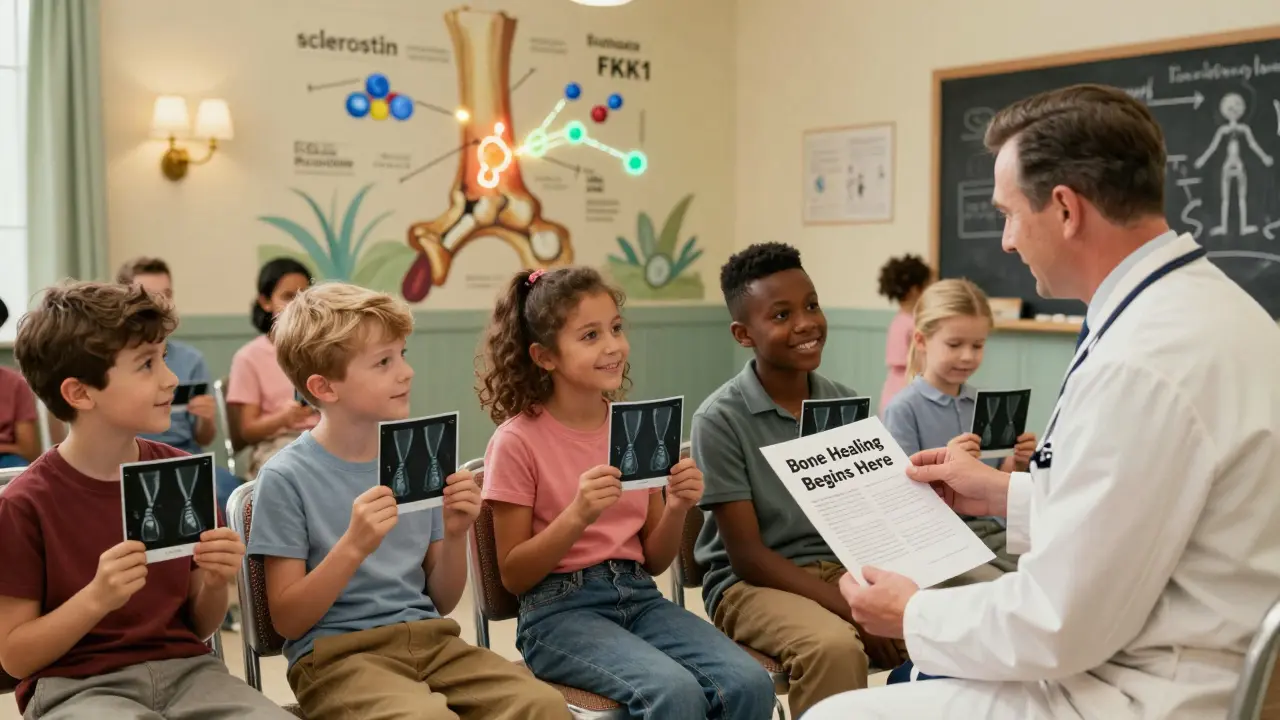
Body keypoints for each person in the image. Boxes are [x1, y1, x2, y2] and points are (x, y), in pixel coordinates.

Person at [806, 84, 1280, 719]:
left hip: (1141, 692)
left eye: (1008, 214)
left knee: (834, 715)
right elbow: (1141, 503)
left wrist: (910, 612)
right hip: (1169, 654)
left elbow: (1059, 621)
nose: (1006, 241)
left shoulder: (1140, 363)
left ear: (1064, 209)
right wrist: (1005, 494)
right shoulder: (1212, 311)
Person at [247, 282, 568, 720]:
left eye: (402, 354)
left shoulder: (418, 459)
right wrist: (353, 546)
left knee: (542, 706)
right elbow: (288, 620)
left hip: (431, 641)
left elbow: (441, 600)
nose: (406, 372)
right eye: (384, 362)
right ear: (324, 387)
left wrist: (455, 533)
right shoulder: (285, 477)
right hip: (336, 657)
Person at [478, 267, 776, 720]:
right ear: (544, 357)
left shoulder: (635, 428)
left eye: (616, 328)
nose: (613, 345)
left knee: (748, 683)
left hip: (639, 595)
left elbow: (654, 560)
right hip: (556, 614)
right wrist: (578, 514)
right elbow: (514, 576)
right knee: (674, 692)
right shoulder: (516, 441)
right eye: (590, 335)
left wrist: (677, 507)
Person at [0, 282, 292, 719]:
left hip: (192, 676)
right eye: (146, 364)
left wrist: (215, 581)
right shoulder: (24, 505)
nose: (171, 379)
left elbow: (200, 624)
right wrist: (96, 598)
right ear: (80, 393)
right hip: (77, 690)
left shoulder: (181, 475)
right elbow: (15, 658)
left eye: (164, 358)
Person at [689, 242, 906, 719]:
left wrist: (876, 595)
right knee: (833, 648)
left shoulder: (845, 404)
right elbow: (748, 558)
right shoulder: (719, 420)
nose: (806, 323)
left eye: (811, 305)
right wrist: (853, 610)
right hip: (750, 585)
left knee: (940, 623)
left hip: (840, 568)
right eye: (782, 315)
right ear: (743, 334)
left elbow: (869, 519)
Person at [883, 278, 1036, 576]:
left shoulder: (982, 403)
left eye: (978, 345)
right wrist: (947, 463)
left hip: (997, 533)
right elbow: (905, 497)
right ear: (921, 341)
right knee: (1006, 588)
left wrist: (1018, 463)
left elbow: (996, 480)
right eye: (954, 345)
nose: (968, 356)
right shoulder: (903, 409)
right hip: (944, 544)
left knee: (1057, 575)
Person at [117, 257, 241, 519]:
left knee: (227, 493)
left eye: (167, 295)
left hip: (186, 456)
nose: (160, 304)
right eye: (149, 296)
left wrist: (206, 418)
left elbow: (203, 438)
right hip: (129, 458)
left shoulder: (191, 359)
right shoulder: (116, 361)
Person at [227, 258, 317, 478]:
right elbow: (247, 431)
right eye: (288, 296)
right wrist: (283, 418)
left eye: (304, 295)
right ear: (266, 302)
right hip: (278, 445)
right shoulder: (249, 357)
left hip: (324, 437)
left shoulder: (321, 347)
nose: (298, 304)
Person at [877, 254, 932, 416]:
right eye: (928, 286)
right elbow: (905, 363)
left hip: (902, 390)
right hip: (904, 390)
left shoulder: (905, 321)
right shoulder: (907, 325)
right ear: (915, 290)